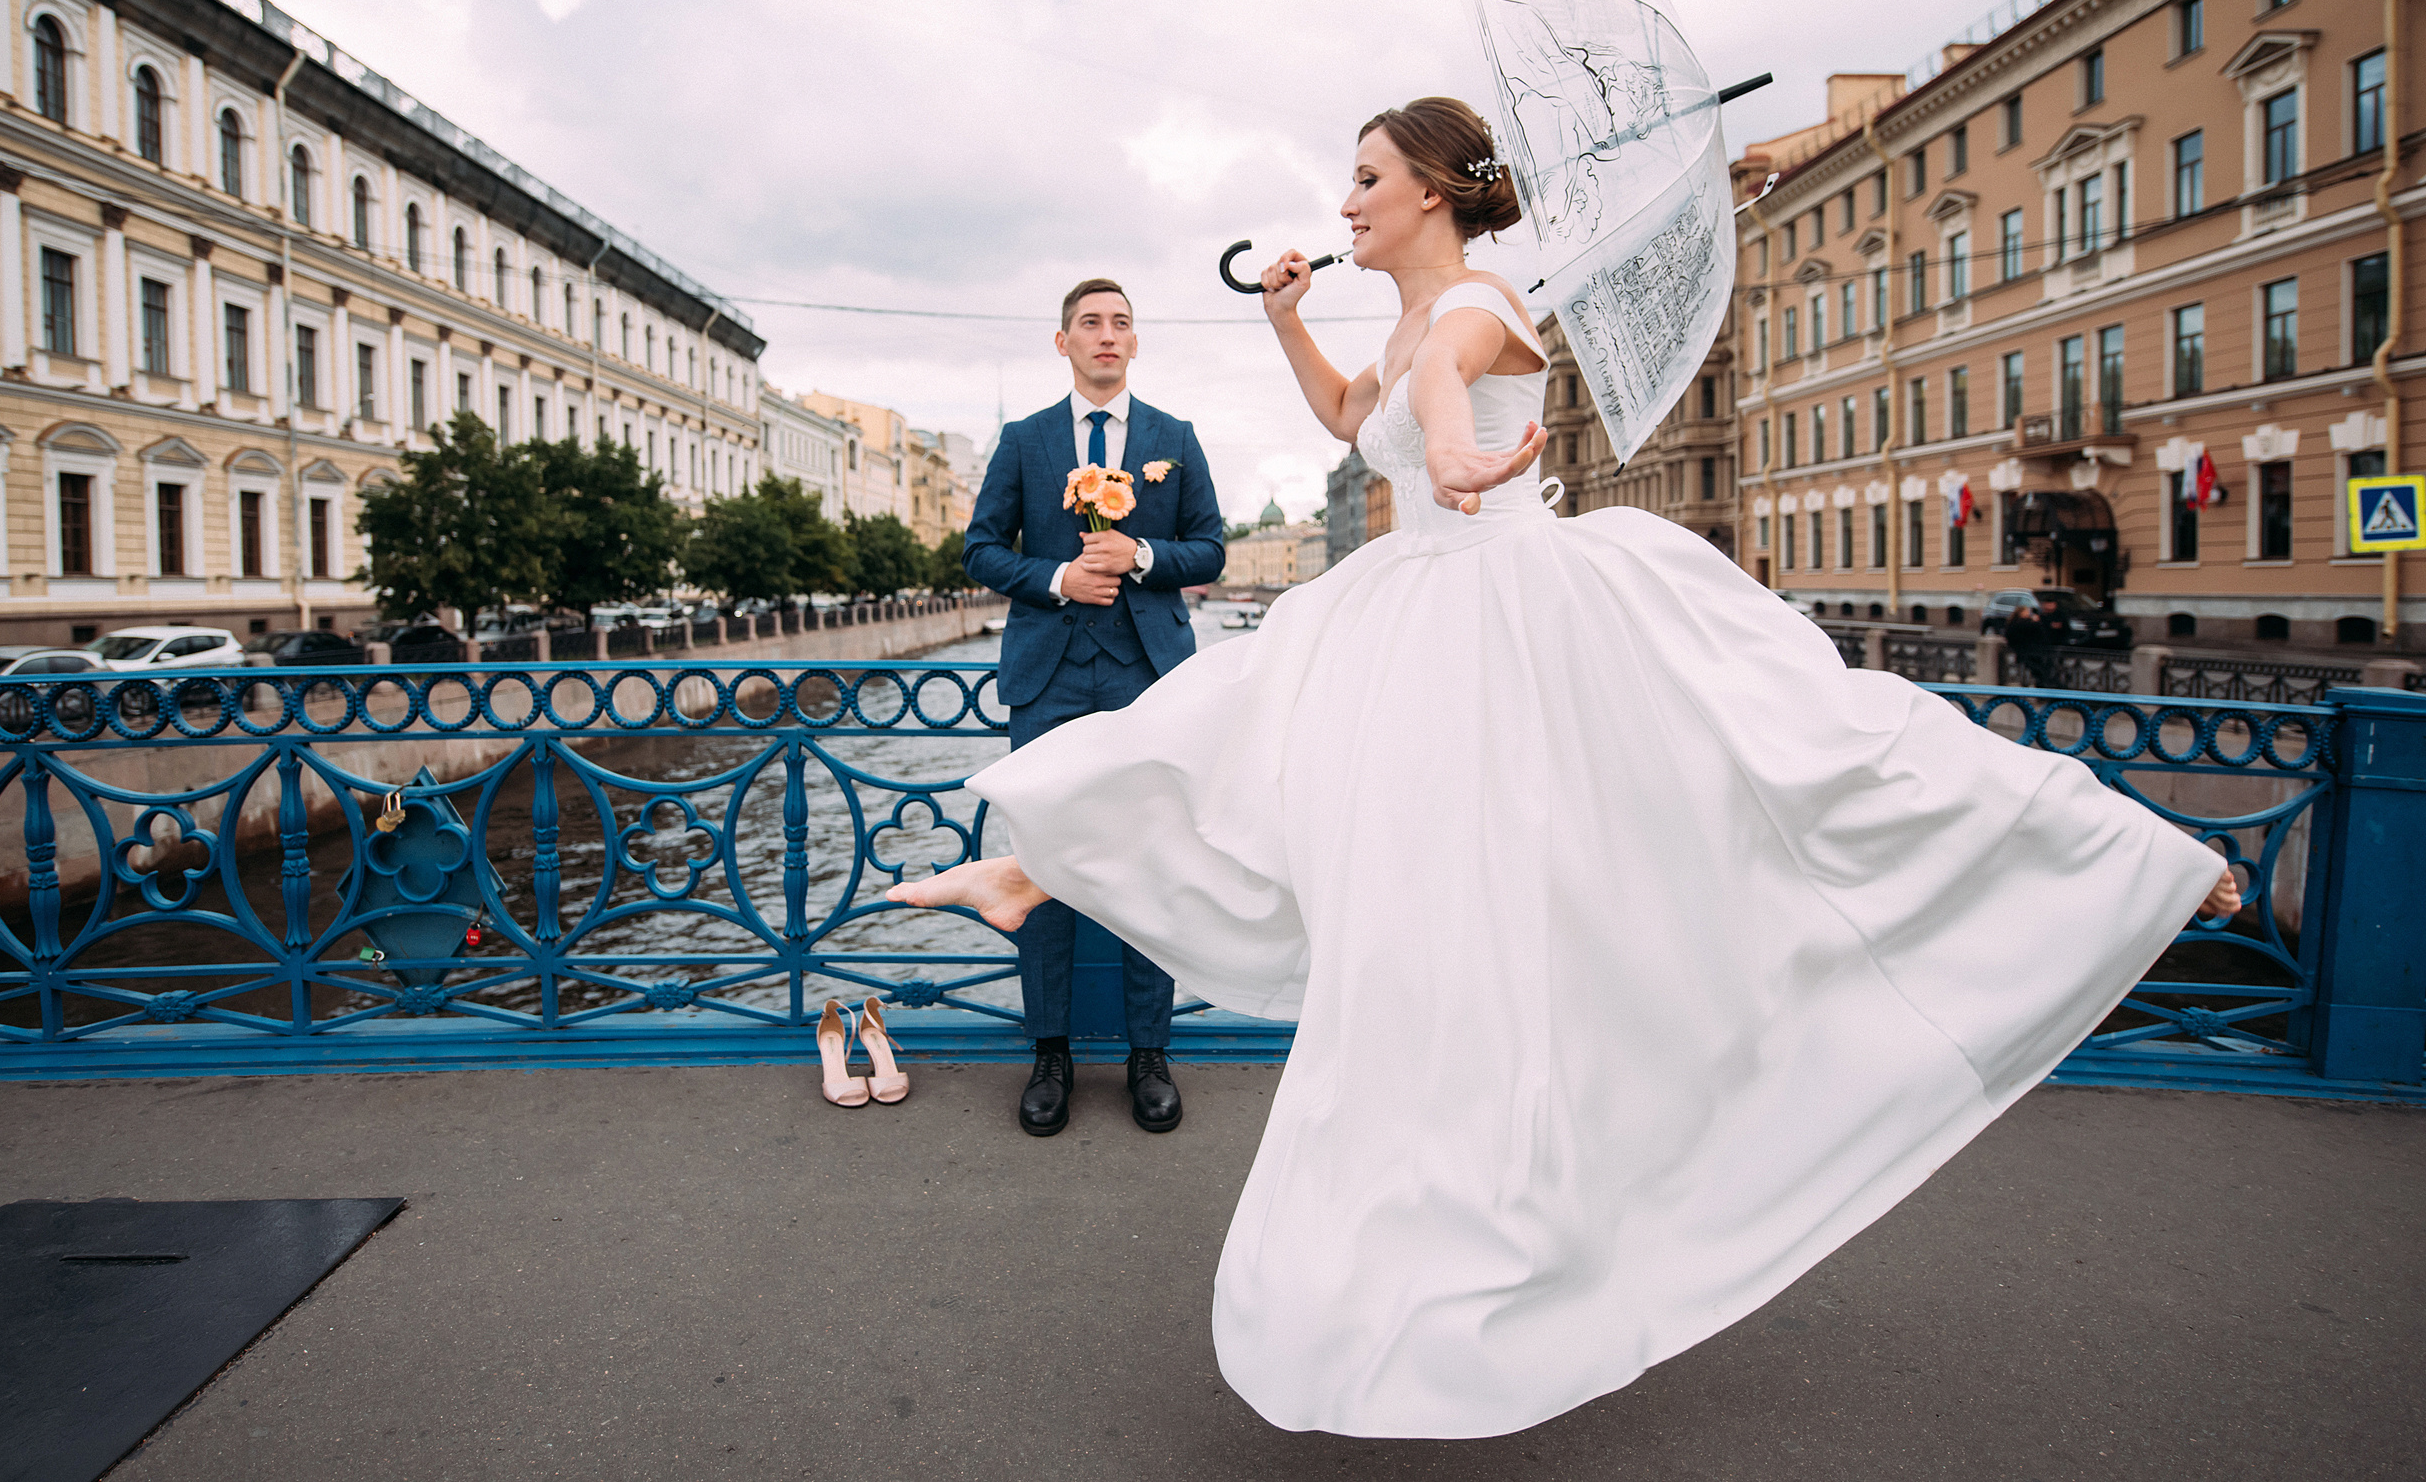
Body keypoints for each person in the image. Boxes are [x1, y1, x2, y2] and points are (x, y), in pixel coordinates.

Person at [896, 98, 2239, 1440]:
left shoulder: (1482, 304)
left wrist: (1461, 449)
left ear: (1430, 189)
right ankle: (1040, 869)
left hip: (1505, 609)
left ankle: (2135, 862)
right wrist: (1287, 320)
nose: (1346, 200)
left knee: (1810, 754)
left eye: (1364, 178)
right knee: (1265, 753)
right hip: (1419, 602)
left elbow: (1437, 391)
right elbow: (1356, 414)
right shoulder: (1407, 315)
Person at [960, 278, 1226, 1137]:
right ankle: (1052, 1055)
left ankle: (1150, 1055)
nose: (1105, 336)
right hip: (1047, 676)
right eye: (1089, 324)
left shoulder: (1174, 439)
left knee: (1151, 859)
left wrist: (1143, 551)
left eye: (1120, 324)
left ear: (1135, 343)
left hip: (1150, 677)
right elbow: (980, 549)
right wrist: (1056, 578)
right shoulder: (1025, 440)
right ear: (1063, 341)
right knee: (1045, 863)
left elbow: (1211, 545)